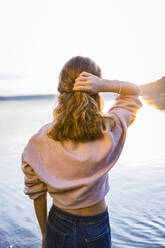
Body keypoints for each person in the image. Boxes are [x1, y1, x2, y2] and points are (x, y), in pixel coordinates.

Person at [21, 56, 142, 248]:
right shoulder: (110, 128)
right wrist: (103, 84)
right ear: (96, 91)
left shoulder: (39, 141)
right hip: (97, 224)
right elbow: (134, 92)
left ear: (61, 90)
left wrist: (45, 234)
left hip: (58, 224)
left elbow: (37, 193)